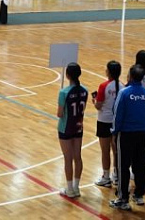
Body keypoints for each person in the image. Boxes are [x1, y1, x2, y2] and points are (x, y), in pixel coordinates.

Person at [110, 65, 145, 211]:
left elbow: (118, 115)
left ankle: (123, 198)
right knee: (140, 165)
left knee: (123, 166)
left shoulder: (124, 93)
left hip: (126, 135)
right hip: (143, 134)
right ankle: (139, 194)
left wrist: (114, 132)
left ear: (130, 76)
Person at [57, 62, 88, 198]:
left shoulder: (64, 92)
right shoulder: (85, 91)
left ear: (67, 75)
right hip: (78, 126)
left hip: (65, 128)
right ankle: (76, 187)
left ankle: (69, 189)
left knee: (68, 159)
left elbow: (60, 113)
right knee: (78, 157)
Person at [94, 61, 123, 188]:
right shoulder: (123, 86)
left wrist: (94, 101)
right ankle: (116, 175)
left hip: (104, 121)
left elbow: (98, 105)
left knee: (105, 151)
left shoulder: (103, 86)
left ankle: (106, 176)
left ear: (109, 72)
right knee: (116, 150)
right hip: (117, 121)